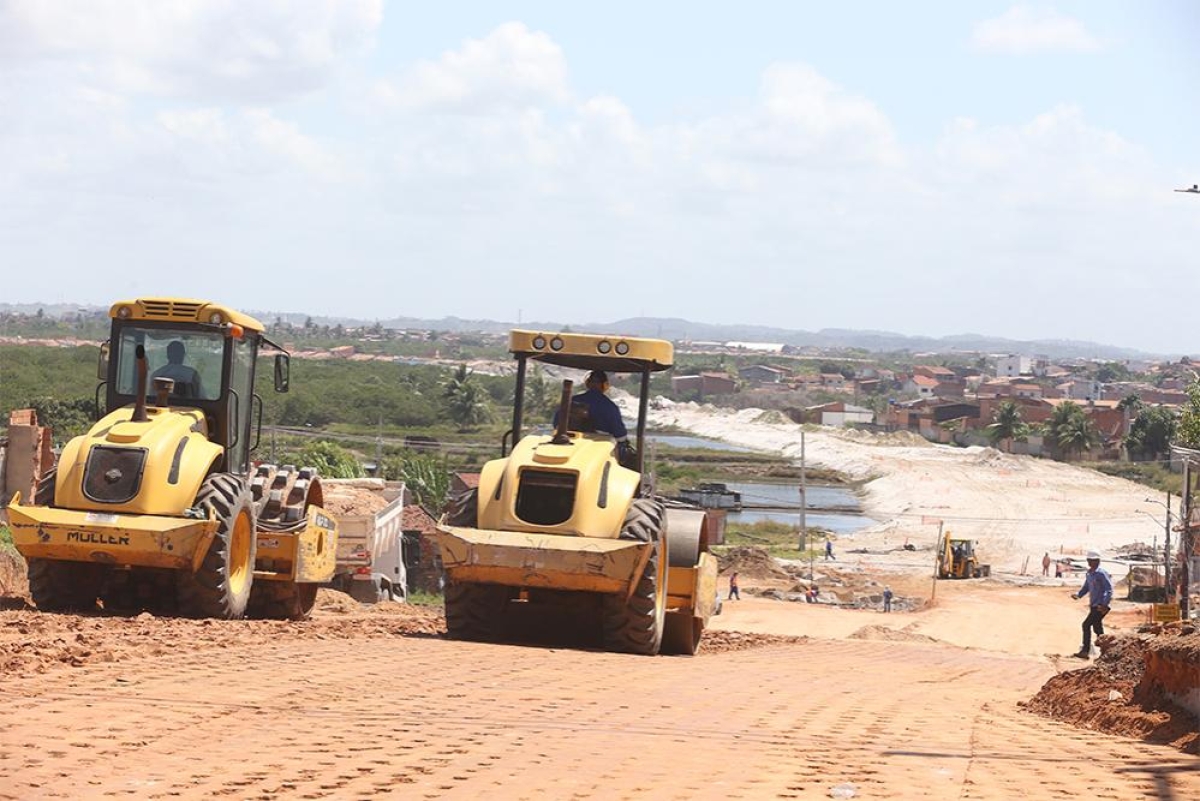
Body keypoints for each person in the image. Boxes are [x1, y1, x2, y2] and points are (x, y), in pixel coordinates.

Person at [558, 370, 634, 463]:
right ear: (605, 385)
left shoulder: (570, 401)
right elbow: (620, 435)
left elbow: (556, 423)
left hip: (568, 446)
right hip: (599, 451)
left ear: (587, 383)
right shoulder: (610, 406)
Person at [1070, 550, 1113, 659]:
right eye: (1090, 560)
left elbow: (1108, 589)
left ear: (1098, 561)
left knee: (1086, 625)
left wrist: (1104, 604)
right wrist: (1078, 595)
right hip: (1093, 605)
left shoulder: (1101, 573)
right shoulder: (1089, 574)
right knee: (1097, 627)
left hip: (1100, 606)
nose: (1092, 562)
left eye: (1094, 560)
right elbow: (1086, 587)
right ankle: (1106, 651)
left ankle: (1085, 651)